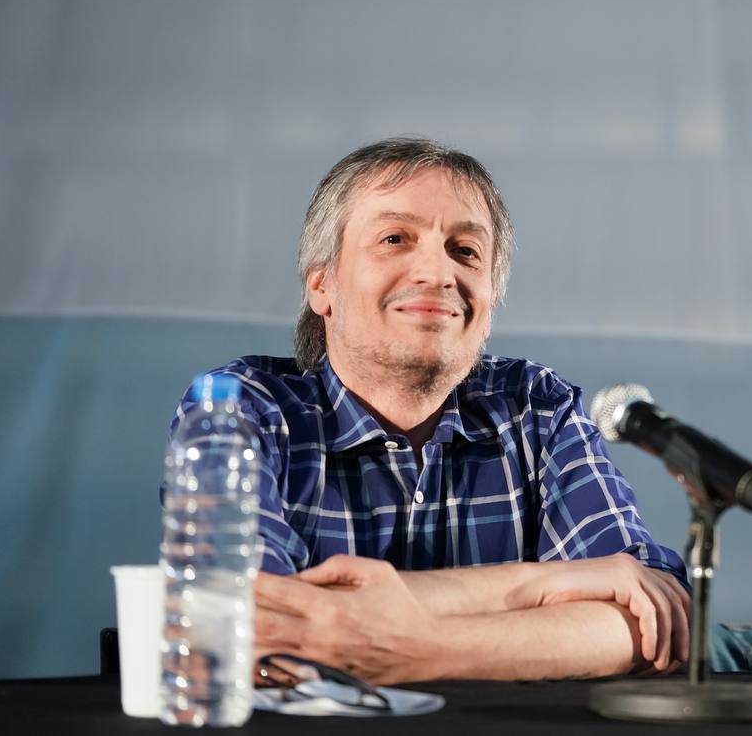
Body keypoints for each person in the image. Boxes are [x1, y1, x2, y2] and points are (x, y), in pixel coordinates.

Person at [171, 137, 689, 683]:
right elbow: (248, 622)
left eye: (465, 251)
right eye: (395, 239)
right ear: (322, 285)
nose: (438, 273)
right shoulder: (236, 408)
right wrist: (534, 587)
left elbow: (649, 620)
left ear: (489, 306)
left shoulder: (537, 405)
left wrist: (421, 649)